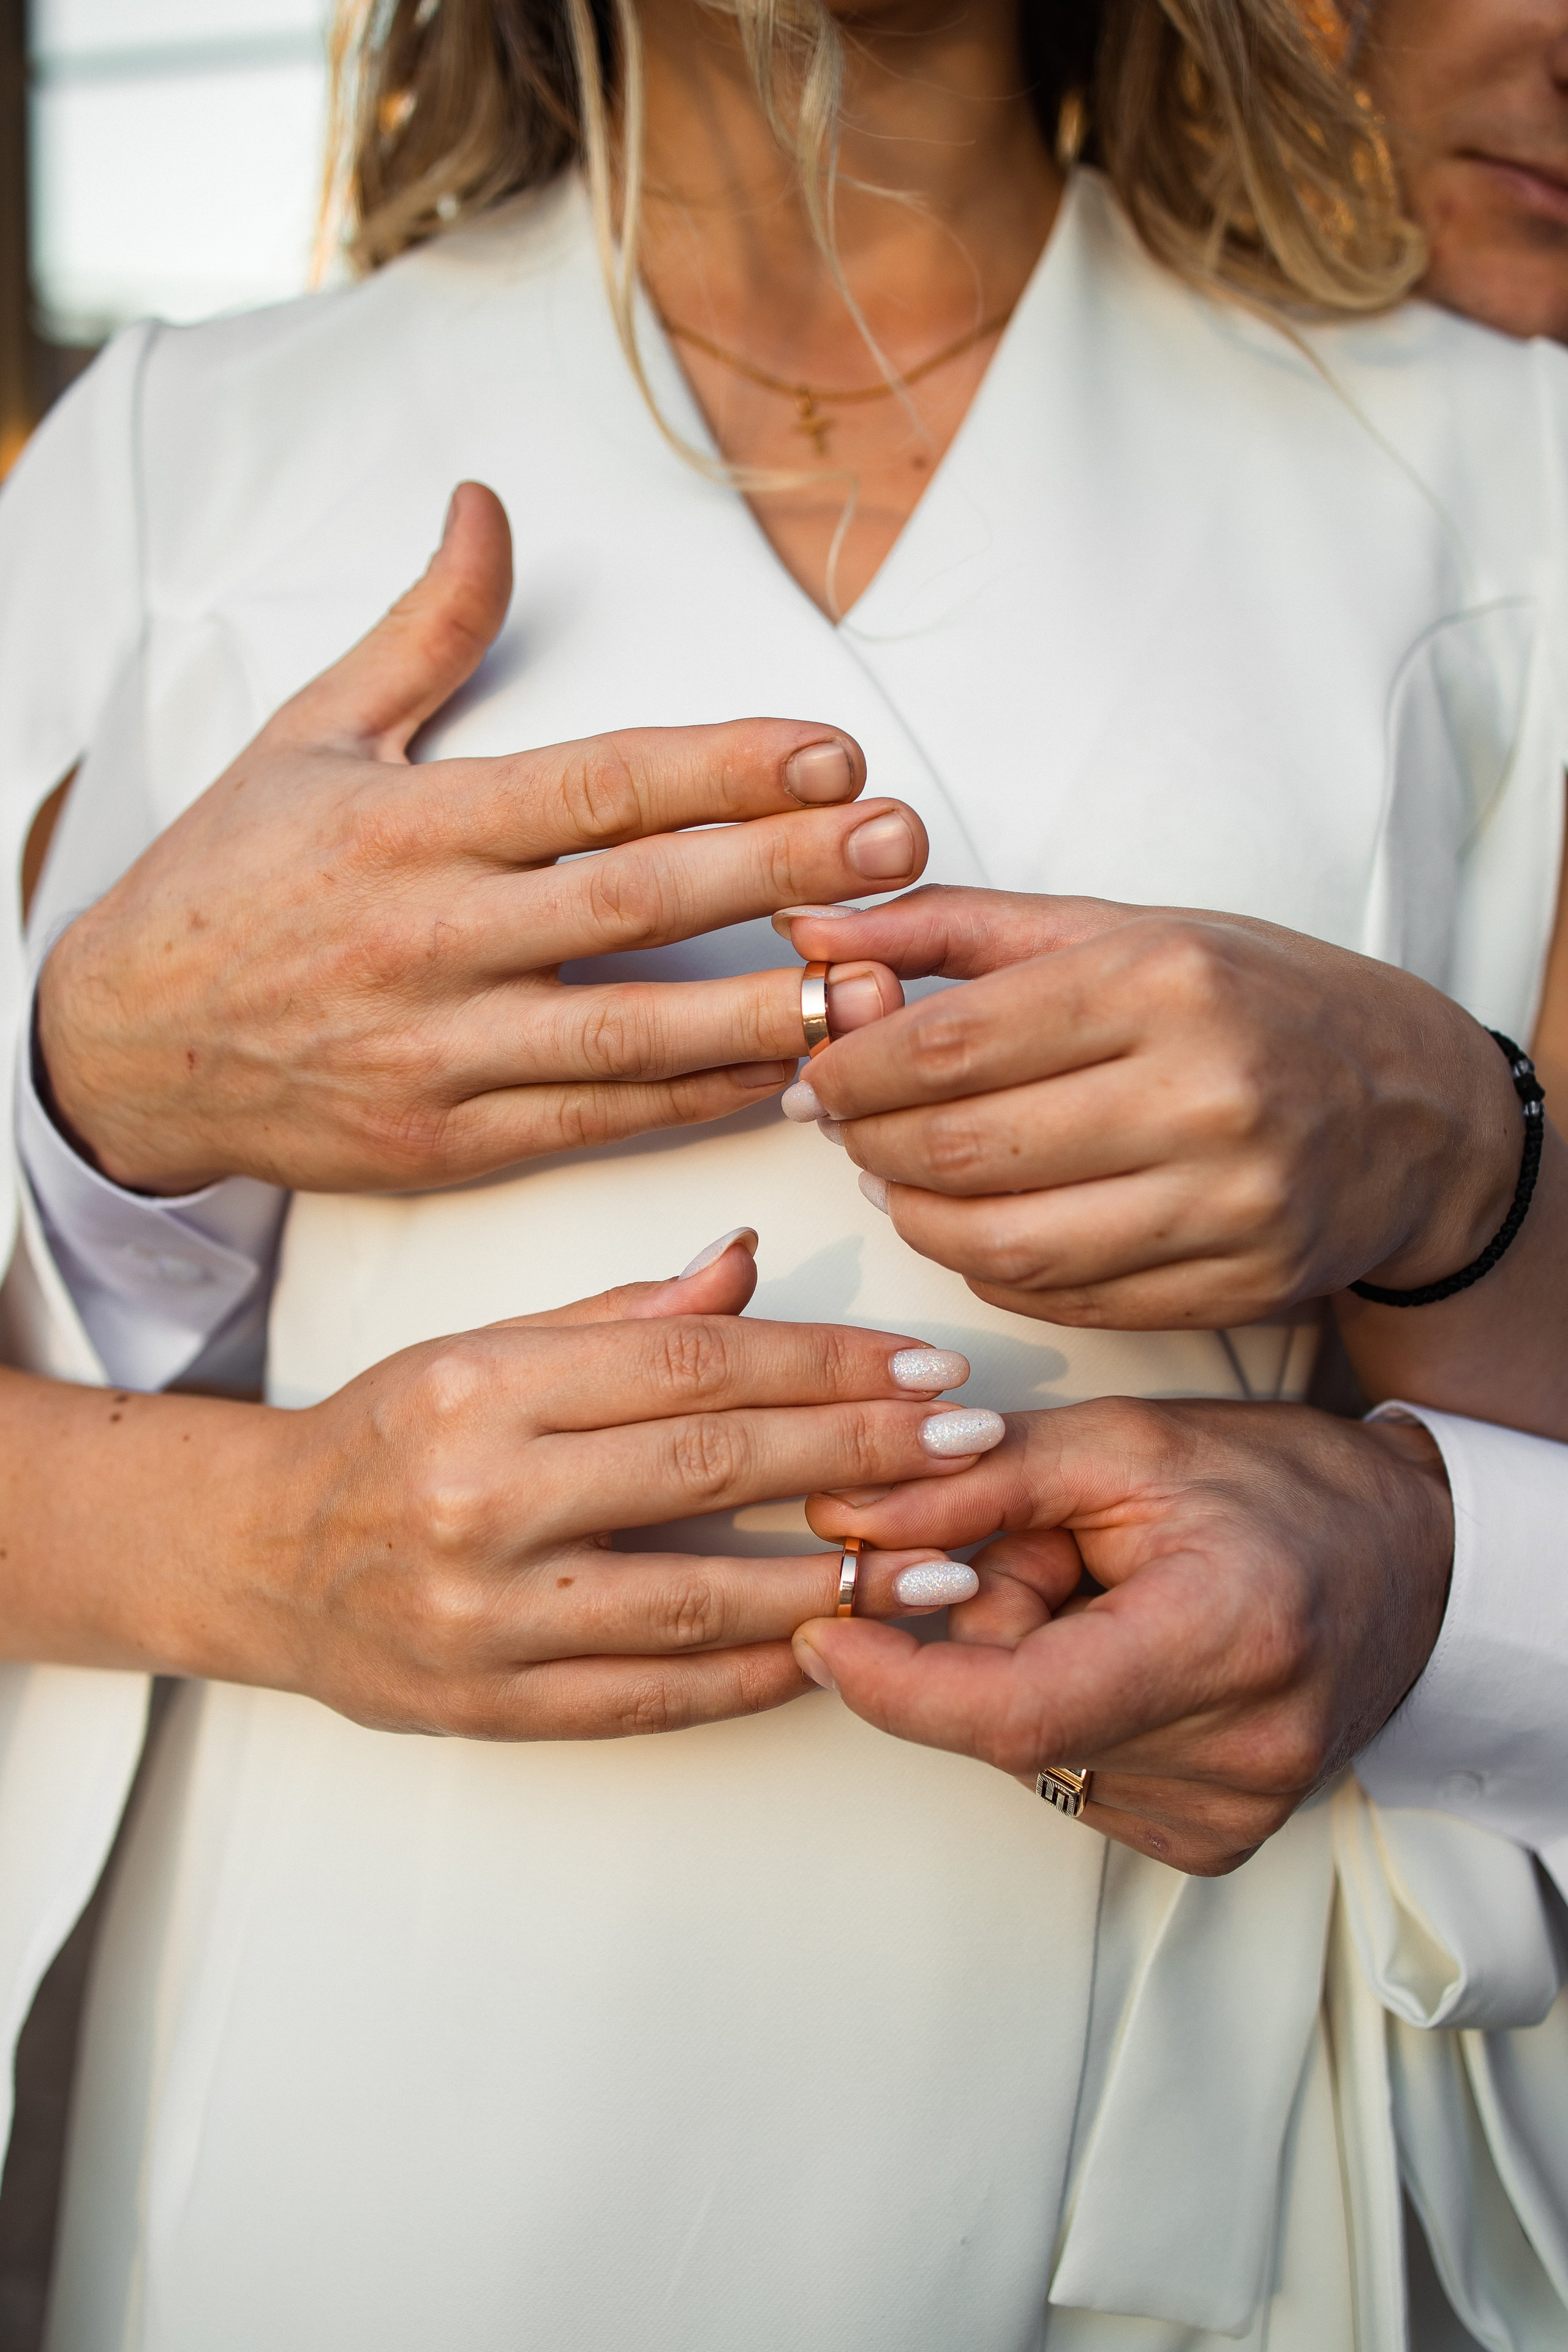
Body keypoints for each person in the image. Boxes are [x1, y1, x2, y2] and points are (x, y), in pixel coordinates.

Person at [1, 3, 1566, 2347]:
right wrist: (105, 1138)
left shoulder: (1503, 482)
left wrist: (1459, 1281)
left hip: (1138, 2168)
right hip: (349, 2139)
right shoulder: (173, 472)